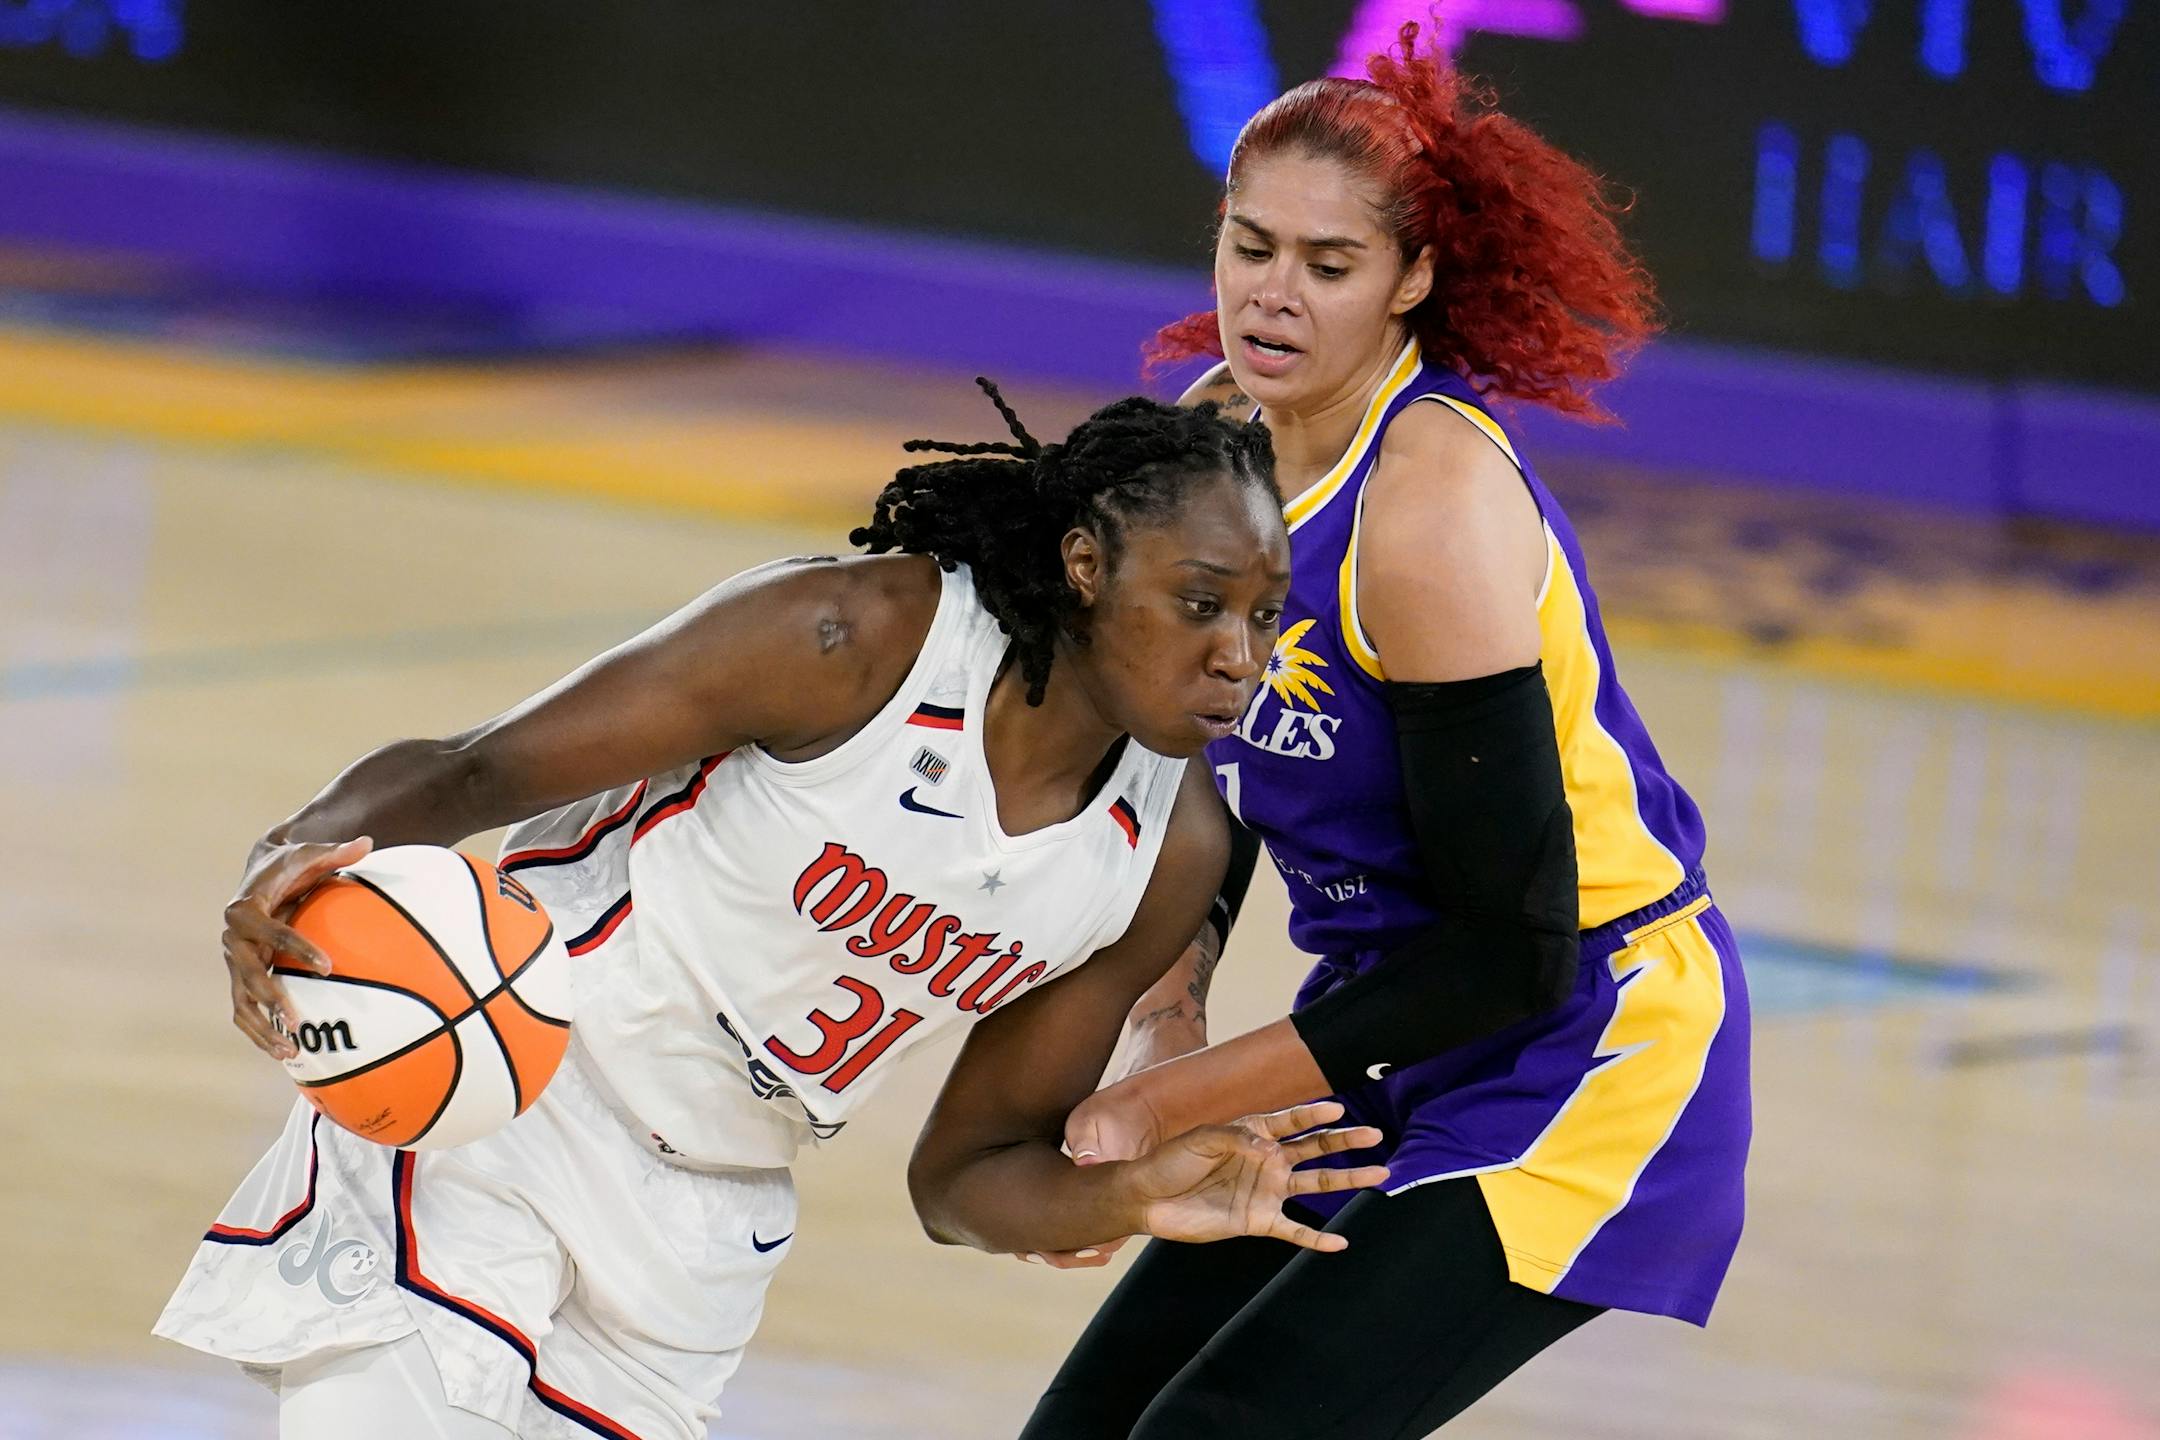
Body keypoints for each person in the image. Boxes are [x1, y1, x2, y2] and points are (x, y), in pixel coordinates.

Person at [154, 385, 1391, 1440]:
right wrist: (294, 852)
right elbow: (475, 768)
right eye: (1200, 603)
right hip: (509, 1101)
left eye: (1262, 618)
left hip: (703, 1232)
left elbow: (962, 1182)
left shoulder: (1168, 853)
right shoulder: (856, 639)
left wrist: (1133, 1195)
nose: (1239, 653)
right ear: (1086, 565)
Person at [1003, 25, 1753, 1437]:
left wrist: (1158, 1116)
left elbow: (1508, 952)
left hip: (1586, 1034)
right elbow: (1191, 784)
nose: (1271, 298)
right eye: (1249, 246)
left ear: (1413, 280)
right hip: (1383, 1033)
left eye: (1326, 266)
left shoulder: (1427, 511)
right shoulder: (1210, 440)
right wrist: (1168, 1038)